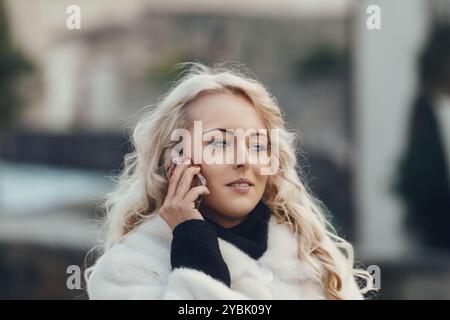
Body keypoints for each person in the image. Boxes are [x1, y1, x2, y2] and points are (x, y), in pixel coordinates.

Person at [86, 62, 373, 299]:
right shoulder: (128, 272)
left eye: (258, 145)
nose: (244, 160)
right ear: (175, 158)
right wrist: (195, 252)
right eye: (220, 143)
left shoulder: (316, 260)